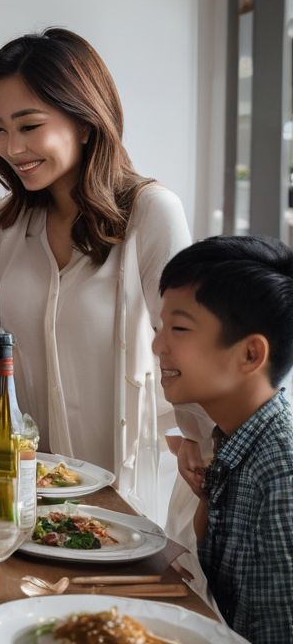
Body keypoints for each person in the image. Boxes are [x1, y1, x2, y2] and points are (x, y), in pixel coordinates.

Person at [0, 27, 195, 522]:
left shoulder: (151, 212)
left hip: (131, 491)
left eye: (29, 126)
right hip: (27, 492)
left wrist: (200, 443)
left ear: (86, 122)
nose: (11, 147)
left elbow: (188, 343)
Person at [153, 235, 293, 643]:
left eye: (179, 328)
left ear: (250, 355)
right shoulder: (235, 446)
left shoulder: (280, 473)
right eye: (161, 327)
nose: (158, 344)